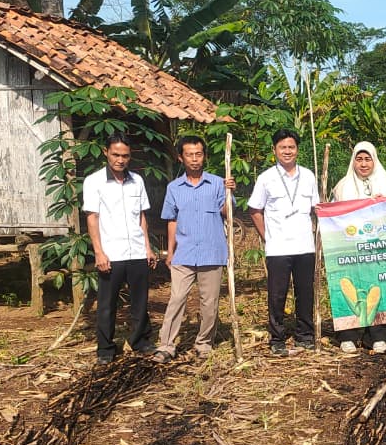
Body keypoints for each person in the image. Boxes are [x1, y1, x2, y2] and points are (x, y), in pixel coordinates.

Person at [153, 136, 236, 363]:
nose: (194, 159)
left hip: (212, 251)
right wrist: (170, 252)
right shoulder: (174, 188)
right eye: (189, 154)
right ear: (181, 157)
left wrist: (229, 192)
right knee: (177, 298)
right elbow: (171, 220)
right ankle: (166, 345)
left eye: (198, 154)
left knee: (209, 302)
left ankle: (204, 343)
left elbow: (227, 213)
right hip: (184, 252)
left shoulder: (219, 183)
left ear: (204, 156)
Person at [82, 132, 157, 365]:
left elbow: (141, 216)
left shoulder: (137, 180)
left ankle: (140, 341)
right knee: (107, 303)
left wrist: (148, 247)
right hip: (111, 253)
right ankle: (106, 348)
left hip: (136, 250)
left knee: (140, 301)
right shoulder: (94, 181)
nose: (120, 160)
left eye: (125, 155)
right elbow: (92, 218)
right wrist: (99, 252)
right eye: (115, 155)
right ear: (106, 153)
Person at [248, 129, 320, 357]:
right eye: (282, 147)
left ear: (297, 150)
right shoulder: (266, 178)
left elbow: (316, 209)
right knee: (277, 295)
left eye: (291, 147)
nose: (287, 151)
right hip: (278, 248)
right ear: (275, 150)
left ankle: (305, 335)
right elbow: (255, 210)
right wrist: (267, 237)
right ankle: (277, 338)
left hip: (305, 246)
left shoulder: (308, 176)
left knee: (305, 292)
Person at [331, 142, 386, 353]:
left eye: (367, 159)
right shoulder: (343, 187)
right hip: (350, 249)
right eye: (359, 159)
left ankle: (377, 335)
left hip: (378, 249)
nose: (363, 164)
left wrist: (384, 203)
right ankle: (348, 334)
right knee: (350, 288)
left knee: (376, 289)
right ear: (353, 161)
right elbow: (333, 215)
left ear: (374, 160)